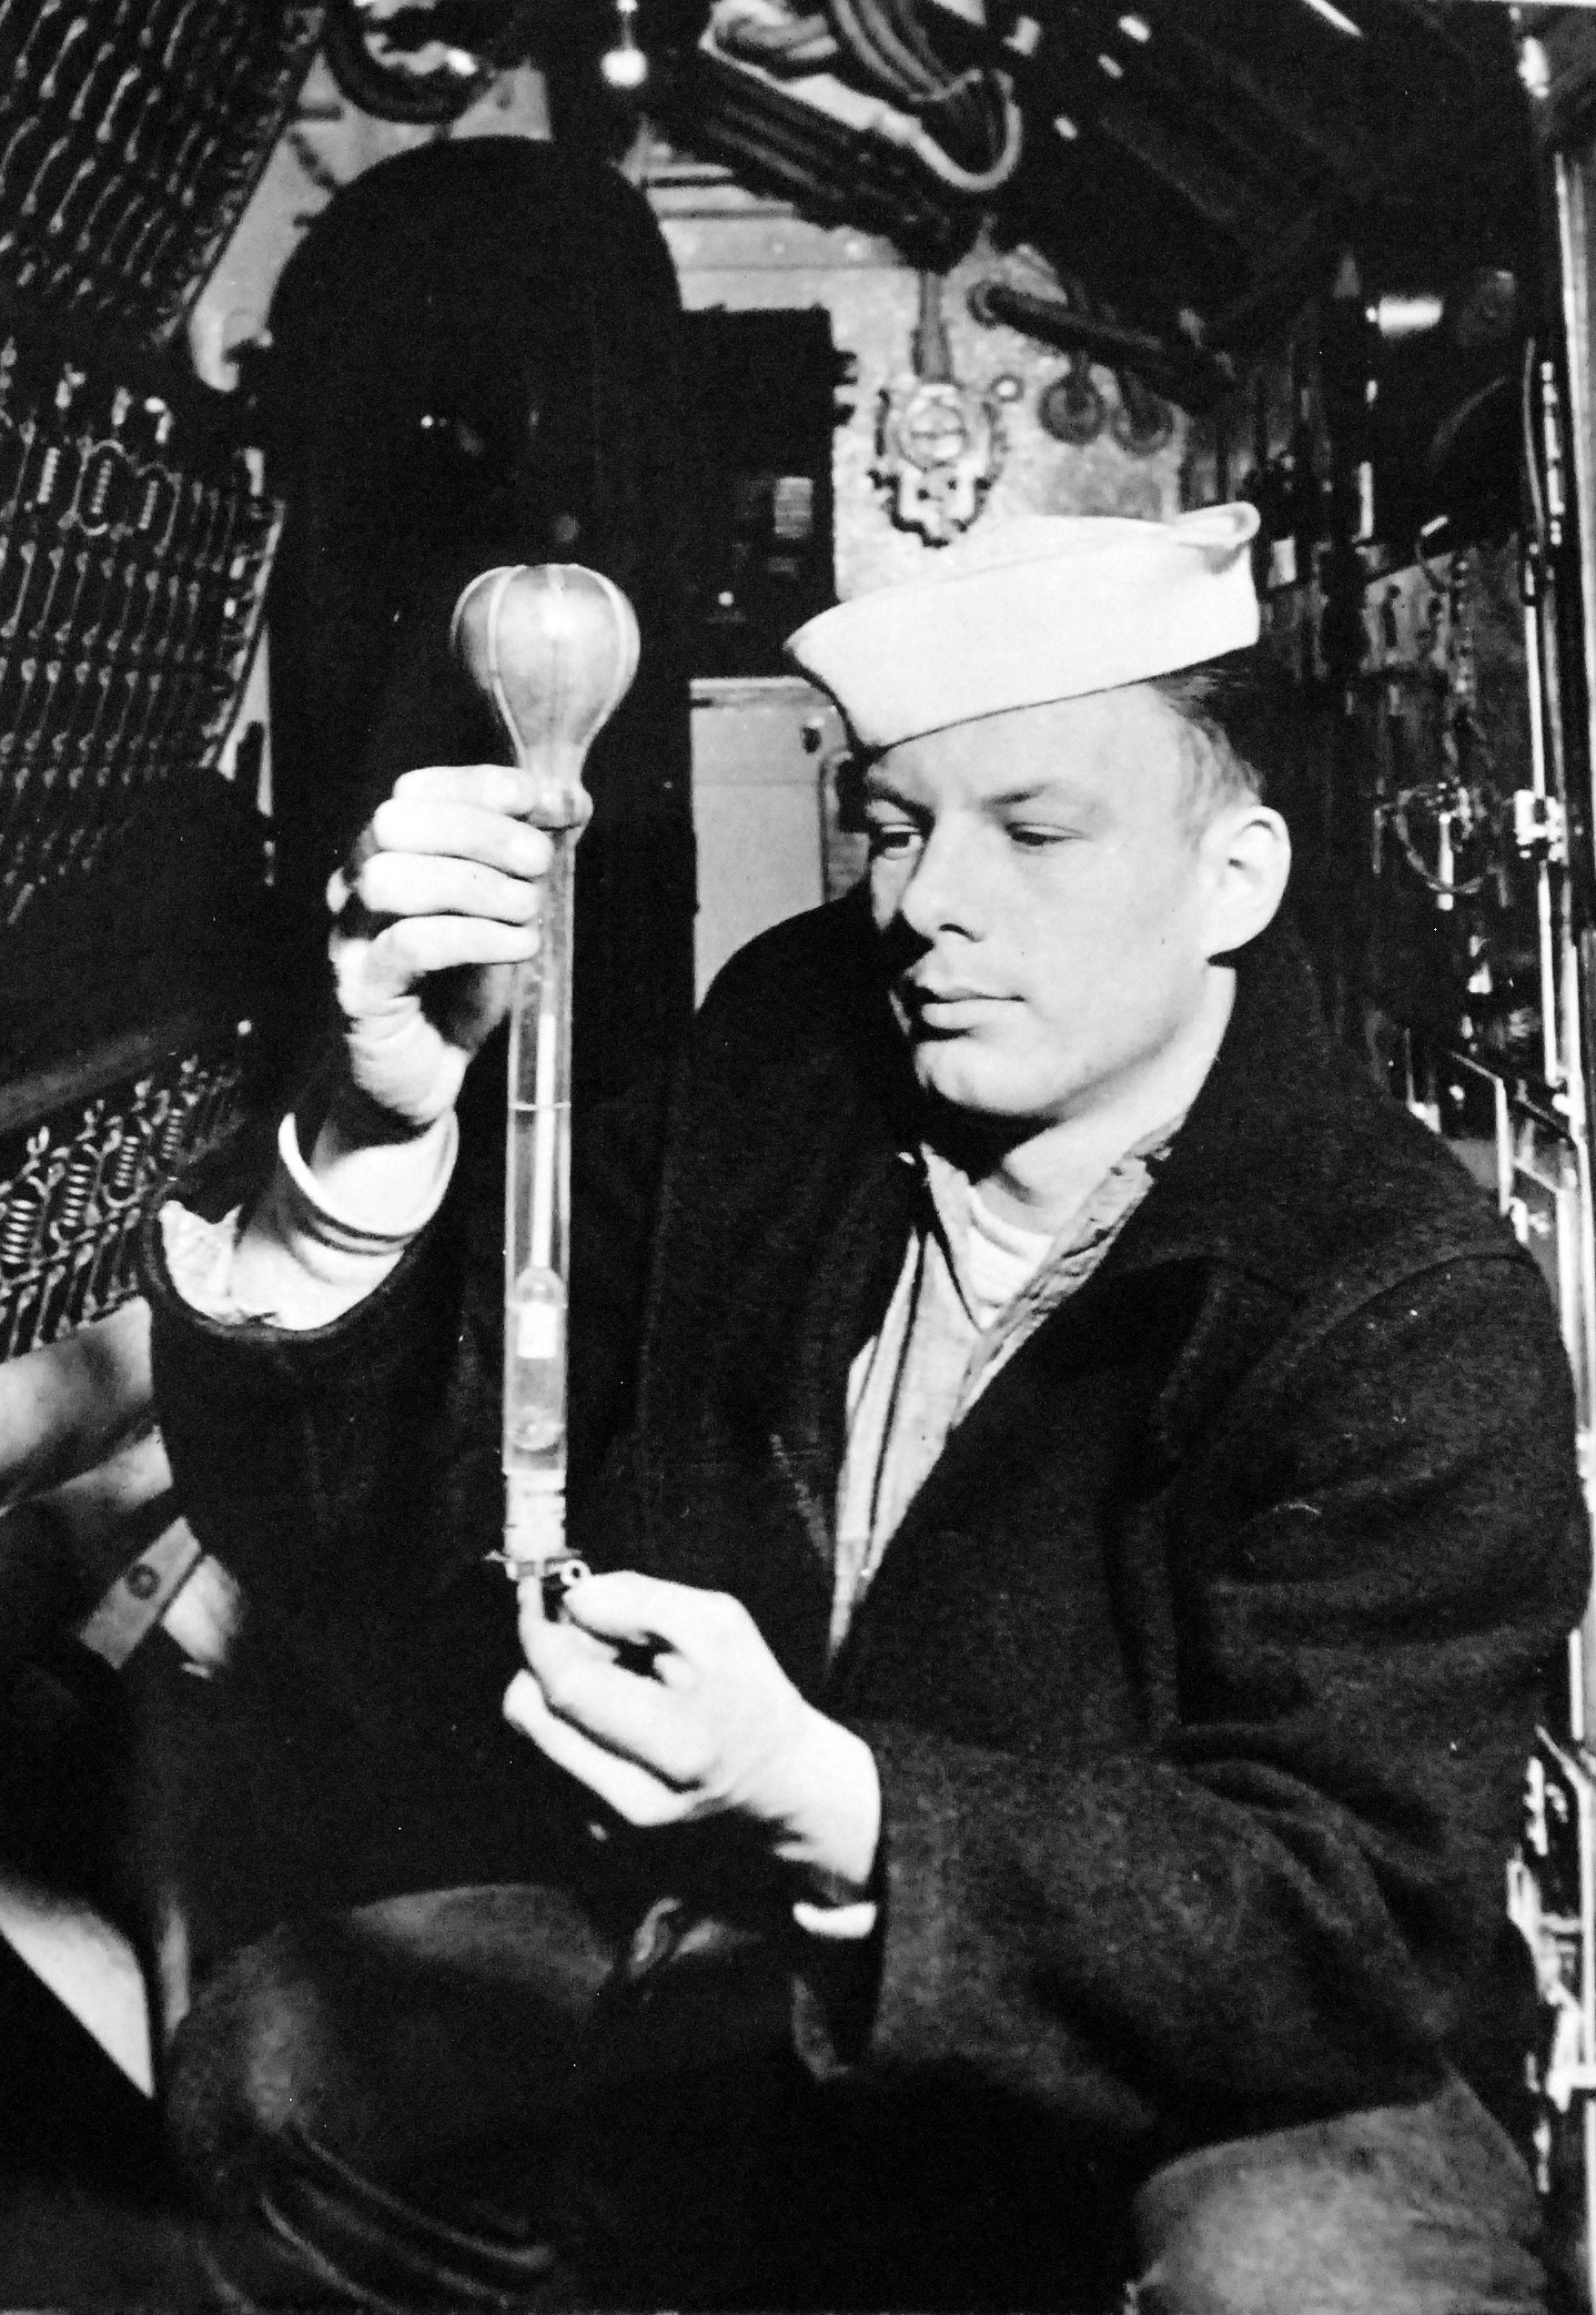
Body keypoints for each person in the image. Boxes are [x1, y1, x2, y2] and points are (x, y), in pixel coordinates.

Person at [141, 502, 1588, 2312]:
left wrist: (836, 1801)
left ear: (1235, 875)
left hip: (1198, 2058)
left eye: (1034, 832)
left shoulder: (1396, 1296)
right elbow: (382, 1530)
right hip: (765, 1961)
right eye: (893, 828)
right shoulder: (791, 1048)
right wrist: (372, 1130)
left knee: (1306, 2276)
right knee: (284, 2063)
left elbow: (1357, 1925)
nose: (923, 906)